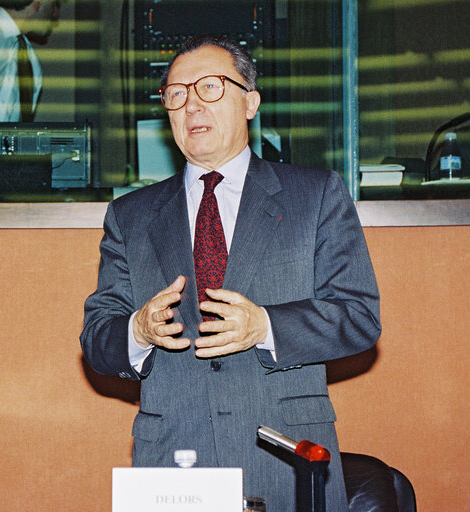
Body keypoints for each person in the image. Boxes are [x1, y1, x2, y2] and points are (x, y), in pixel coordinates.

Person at [80, 35, 381, 511]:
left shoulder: (316, 196)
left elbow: (358, 316)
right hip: (173, 464)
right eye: (176, 94)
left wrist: (267, 325)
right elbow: (97, 338)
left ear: (250, 102)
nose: (191, 105)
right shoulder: (130, 215)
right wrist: (137, 330)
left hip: (285, 460)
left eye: (211, 88)